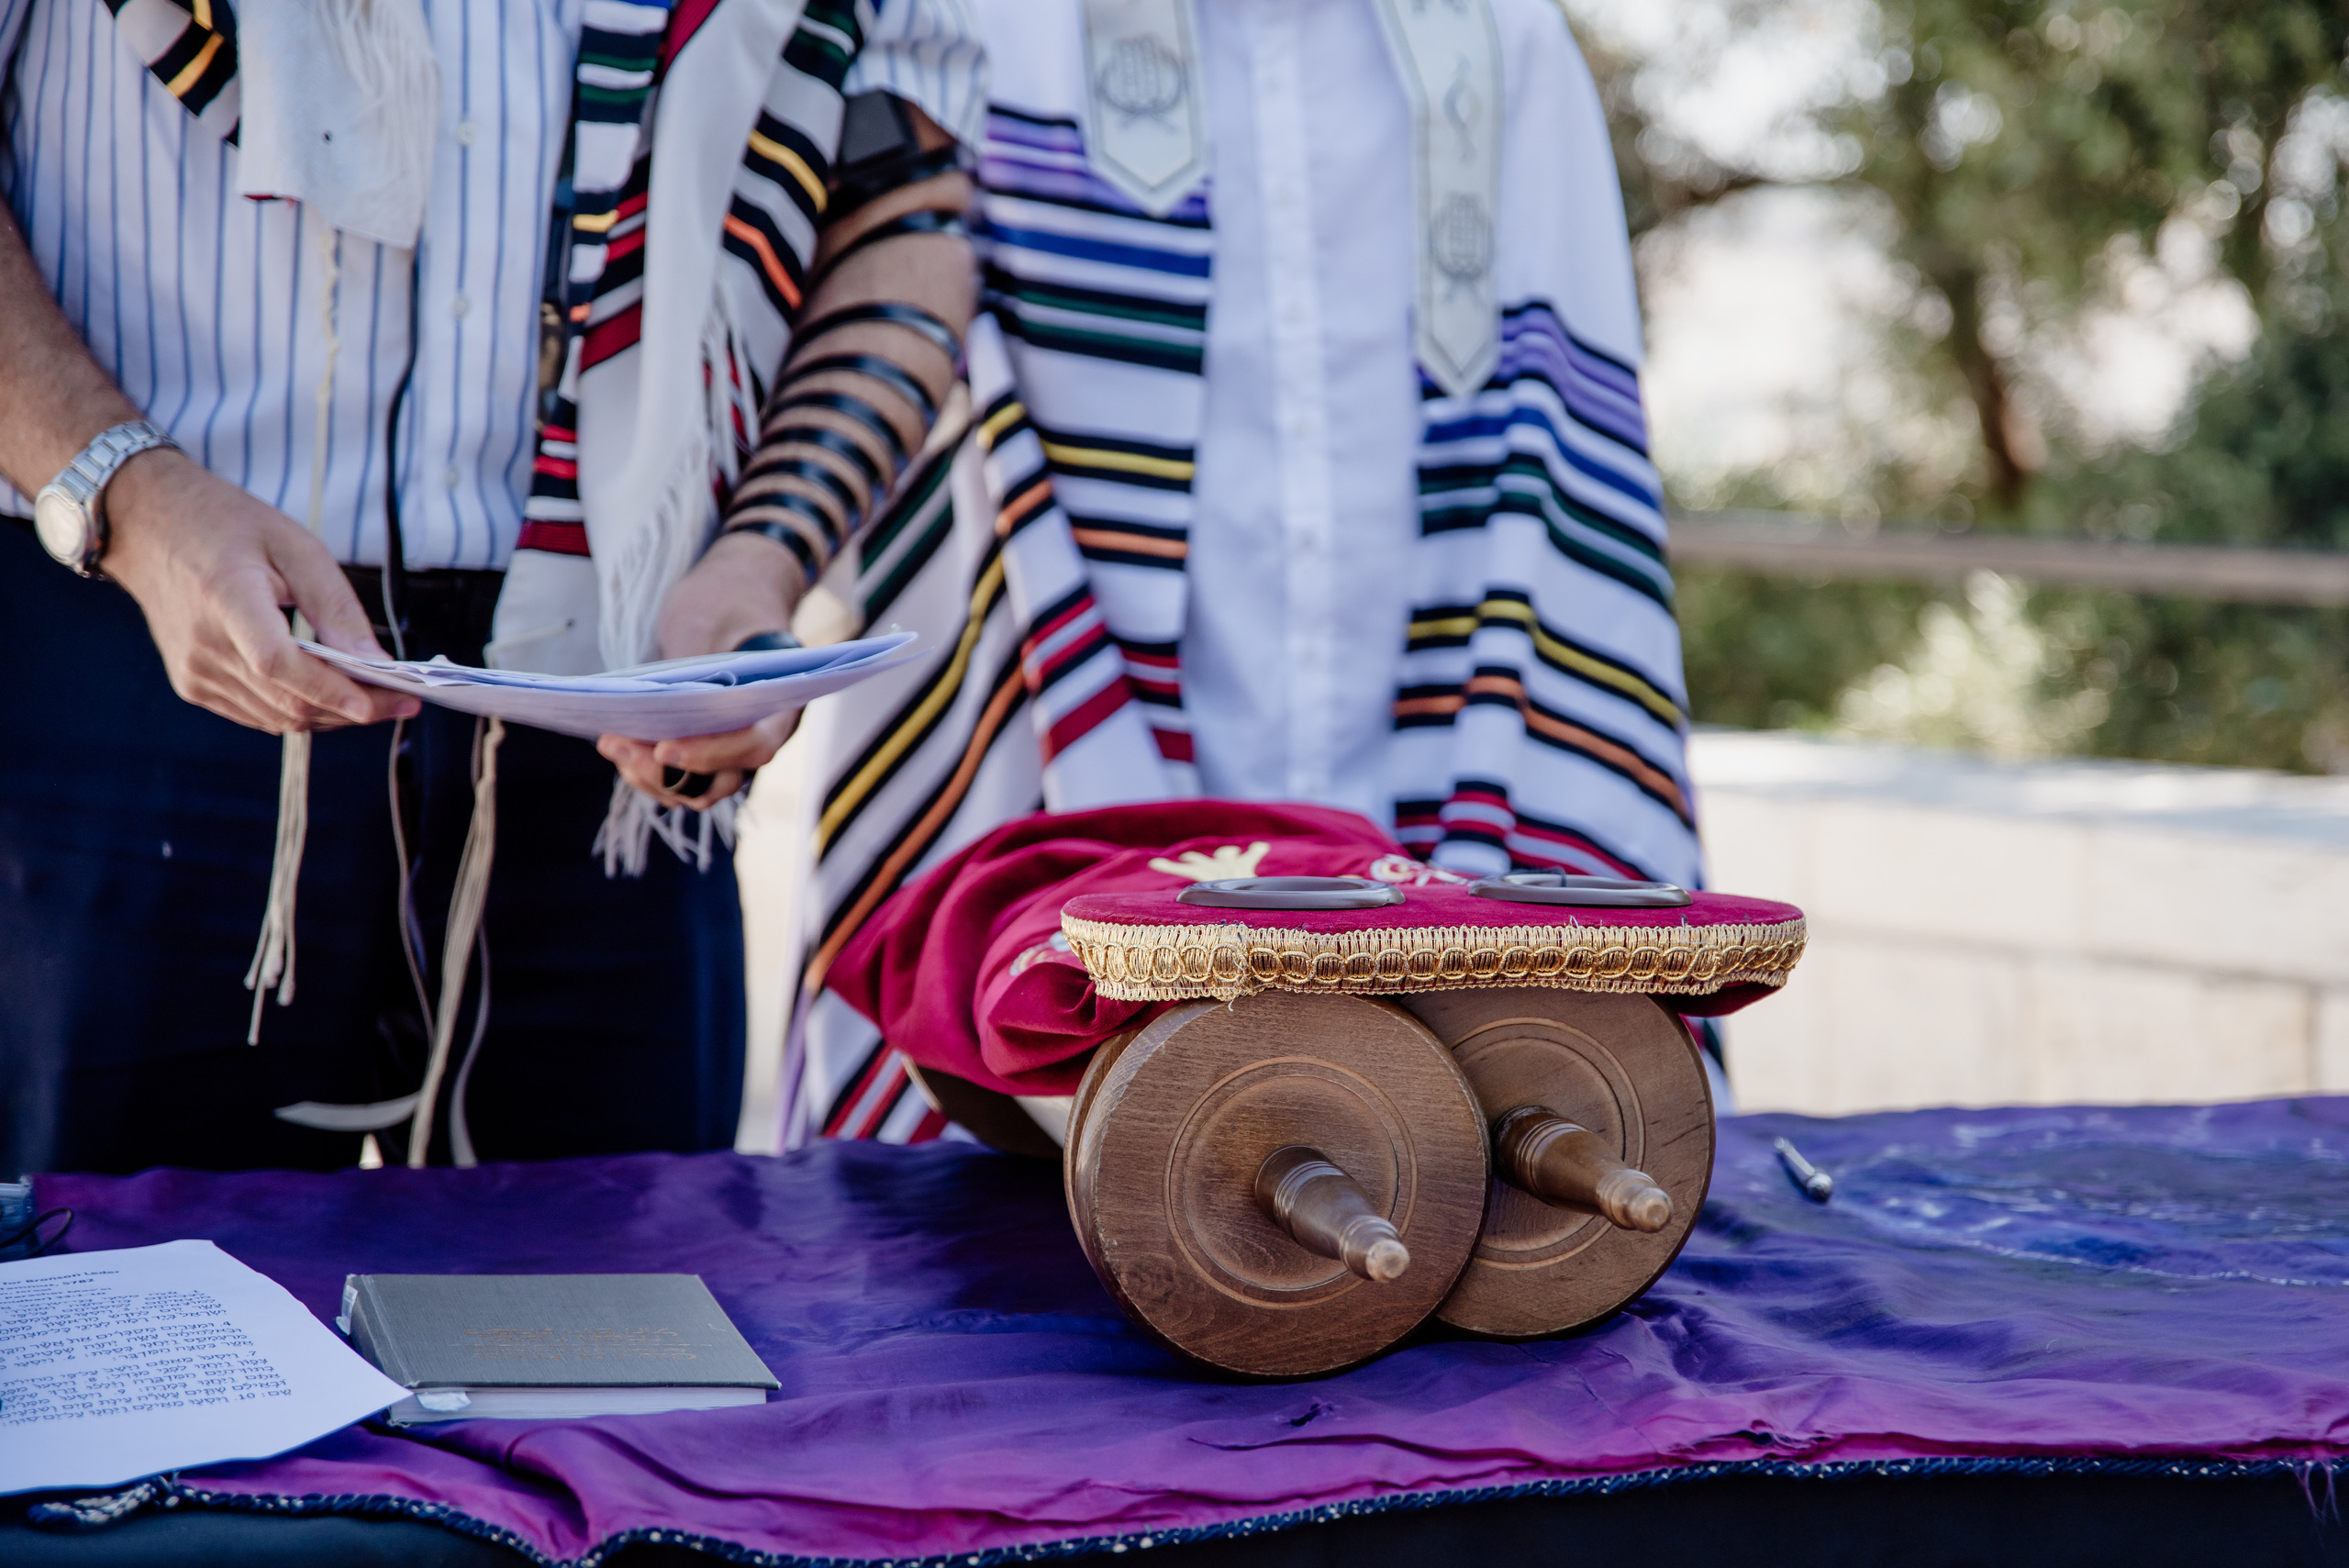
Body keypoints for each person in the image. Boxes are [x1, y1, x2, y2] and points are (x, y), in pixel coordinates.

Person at [0, 0, 982, 1175]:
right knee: (125, 1313)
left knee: (610, 1325)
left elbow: (904, 200)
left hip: (625, 692)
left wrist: (758, 555)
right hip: (133, 642)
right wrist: (128, 493)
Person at [778, 0, 1716, 1147]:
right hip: (1070, 789)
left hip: (1419, 805)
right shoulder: (982, 27)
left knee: (1470, 1213)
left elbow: (1564, 474)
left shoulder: (1504, 43)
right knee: (1012, 1280)